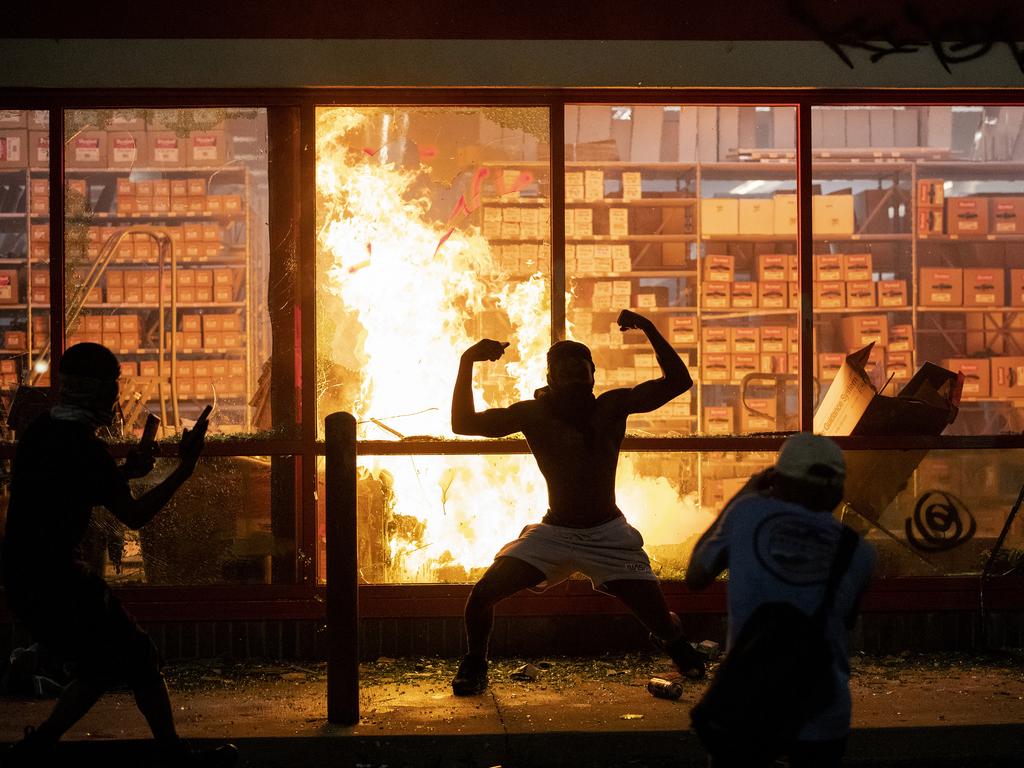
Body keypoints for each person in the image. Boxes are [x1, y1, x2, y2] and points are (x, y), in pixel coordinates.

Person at [0, 343, 235, 767]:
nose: (114, 398)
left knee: (99, 665)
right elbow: (134, 516)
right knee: (139, 656)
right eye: (111, 389)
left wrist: (124, 472)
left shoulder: (44, 432)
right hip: (56, 580)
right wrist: (184, 469)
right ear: (95, 392)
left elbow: (70, 485)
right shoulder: (81, 445)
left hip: (25, 576)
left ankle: (34, 750)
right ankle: (176, 758)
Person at [449, 309, 705, 695]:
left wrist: (649, 328)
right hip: (553, 532)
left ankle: (672, 641)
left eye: (579, 371)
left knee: (660, 621)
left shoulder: (612, 406)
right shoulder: (532, 414)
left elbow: (678, 381)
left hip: (609, 534)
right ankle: (474, 663)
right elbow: (463, 424)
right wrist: (467, 361)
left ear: (592, 375)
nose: (572, 378)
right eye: (564, 372)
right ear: (549, 379)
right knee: (482, 596)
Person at [685, 433, 876, 768]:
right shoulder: (859, 552)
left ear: (776, 480)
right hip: (823, 712)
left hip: (749, 702)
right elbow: (844, 623)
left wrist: (745, 492)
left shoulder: (748, 513)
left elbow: (696, 576)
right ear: (837, 491)